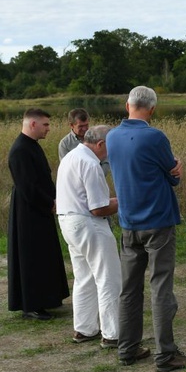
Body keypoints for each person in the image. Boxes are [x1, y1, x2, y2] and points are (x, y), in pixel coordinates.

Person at [107, 85, 186, 372]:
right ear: (153, 109)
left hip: (128, 221)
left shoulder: (111, 137)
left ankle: (128, 348)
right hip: (157, 220)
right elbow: (172, 175)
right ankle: (165, 354)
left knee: (129, 289)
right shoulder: (155, 136)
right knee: (160, 287)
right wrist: (177, 169)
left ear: (127, 105)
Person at [56, 125, 121, 347]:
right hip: (89, 224)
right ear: (101, 144)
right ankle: (112, 333)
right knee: (108, 278)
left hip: (68, 221)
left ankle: (84, 328)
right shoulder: (91, 163)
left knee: (84, 277)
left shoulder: (71, 156)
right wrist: (124, 201)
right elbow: (98, 208)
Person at [7, 108, 70, 321]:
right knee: (31, 257)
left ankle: (46, 299)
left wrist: (55, 198)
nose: (48, 129)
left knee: (44, 255)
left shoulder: (31, 146)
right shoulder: (20, 150)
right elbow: (28, 187)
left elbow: (42, 178)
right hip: (28, 212)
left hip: (38, 208)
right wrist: (49, 203)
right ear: (32, 124)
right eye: (45, 125)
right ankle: (31, 305)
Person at [59, 108, 110, 176]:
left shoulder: (97, 136)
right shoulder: (65, 144)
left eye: (86, 125)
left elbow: (105, 160)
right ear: (71, 125)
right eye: (80, 126)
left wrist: (99, 175)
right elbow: (66, 167)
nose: (85, 129)